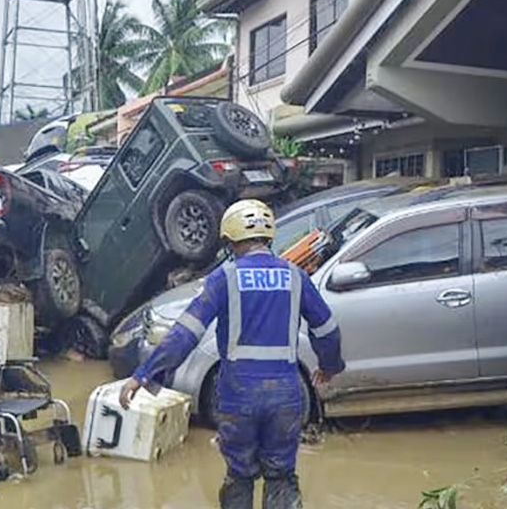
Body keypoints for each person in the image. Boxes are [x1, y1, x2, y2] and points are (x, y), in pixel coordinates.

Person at [119, 199, 345, 509]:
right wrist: (329, 366)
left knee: (240, 476)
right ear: (268, 237)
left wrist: (144, 374)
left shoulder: (224, 278)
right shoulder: (295, 276)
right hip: (285, 395)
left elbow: (185, 333)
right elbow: (327, 329)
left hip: (238, 396)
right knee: (281, 476)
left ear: (231, 240)